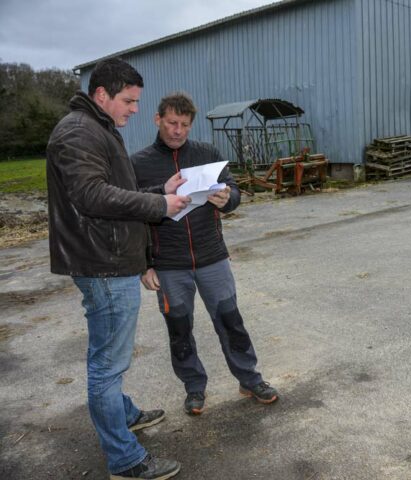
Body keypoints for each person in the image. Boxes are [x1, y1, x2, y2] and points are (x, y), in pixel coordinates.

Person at [46, 58, 189, 480]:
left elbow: (116, 193)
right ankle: (125, 460)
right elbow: (92, 196)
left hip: (110, 259)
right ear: (101, 95)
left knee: (112, 357)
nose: (134, 110)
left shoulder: (98, 129)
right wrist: (159, 205)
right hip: (103, 265)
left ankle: (123, 414)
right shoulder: (77, 132)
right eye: (128, 101)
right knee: (107, 365)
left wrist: (156, 191)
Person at [131, 92, 278, 416]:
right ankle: (194, 387)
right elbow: (133, 212)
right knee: (179, 329)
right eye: (171, 123)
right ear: (158, 120)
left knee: (231, 321)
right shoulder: (139, 164)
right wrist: (144, 265)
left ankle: (249, 378)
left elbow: (234, 190)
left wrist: (229, 199)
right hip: (169, 265)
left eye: (184, 124)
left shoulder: (207, 154)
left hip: (212, 256)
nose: (177, 131)